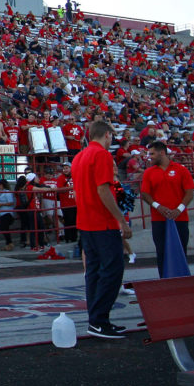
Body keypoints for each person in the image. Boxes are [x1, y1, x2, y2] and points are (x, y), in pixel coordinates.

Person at [71, 120, 132, 339]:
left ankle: (96, 320)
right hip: (102, 222)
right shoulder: (102, 155)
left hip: (86, 221)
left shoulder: (78, 157)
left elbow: (79, 192)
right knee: (113, 270)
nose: (112, 140)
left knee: (94, 272)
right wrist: (121, 221)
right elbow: (103, 190)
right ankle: (99, 318)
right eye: (112, 136)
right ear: (106, 135)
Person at [139, 141, 194, 277]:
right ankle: (164, 281)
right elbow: (145, 194)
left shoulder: (181, 170)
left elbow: (189, 192)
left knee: (181, 250)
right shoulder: (148, 173)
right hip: (159, 220)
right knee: (162, 252)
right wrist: (158, 207)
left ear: (162, 152)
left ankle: (182, 281)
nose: (149, 157)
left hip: (180, 219)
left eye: (152, 154)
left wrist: (179, 209)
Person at [0, 179, 17, 251]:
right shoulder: (1, 192)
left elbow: (11, 202)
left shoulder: (7, 192)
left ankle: (9, 243)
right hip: (2, 212)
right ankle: (8, 243)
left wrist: (2, 204)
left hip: (7, 213)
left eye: (0, 184)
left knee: (4, 228)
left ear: (2, 185)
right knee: (4, 229)